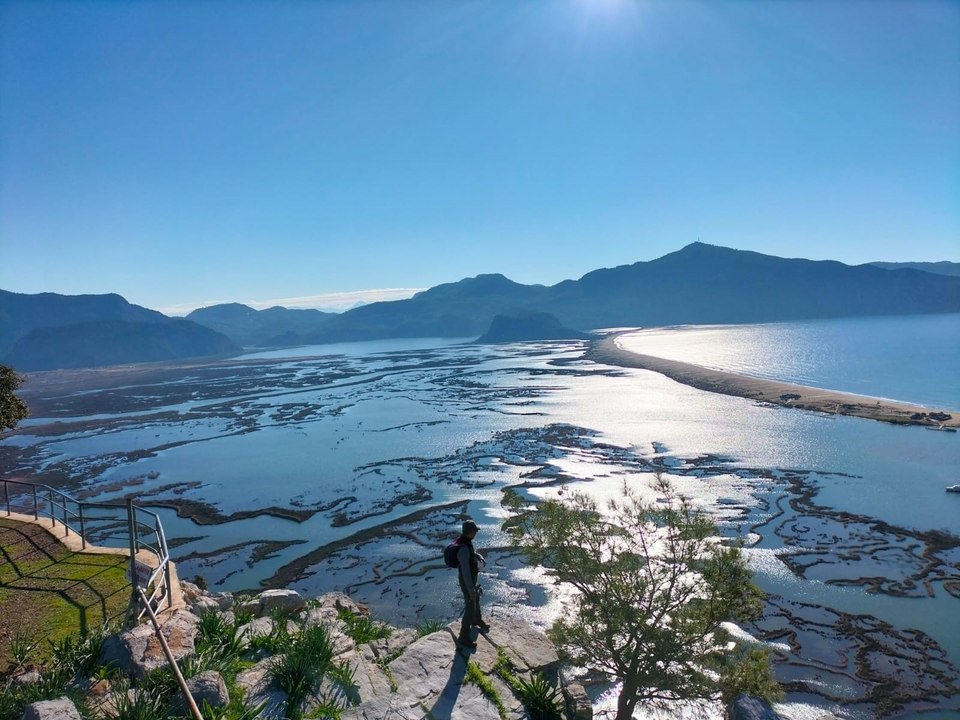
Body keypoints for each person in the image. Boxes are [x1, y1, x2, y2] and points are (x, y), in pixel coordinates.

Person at [456, 519, 489, 648]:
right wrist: (470, 589)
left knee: (476, 598)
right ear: (469, 532)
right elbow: (465, 570)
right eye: (474, 531)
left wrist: (478, 556)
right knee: (470, 605)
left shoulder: (466, 542)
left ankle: (476, 619)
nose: (476, 533)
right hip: (467, 580)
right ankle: (463, 637)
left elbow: (470, 555)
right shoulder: (463, 547)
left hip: (471, 578)